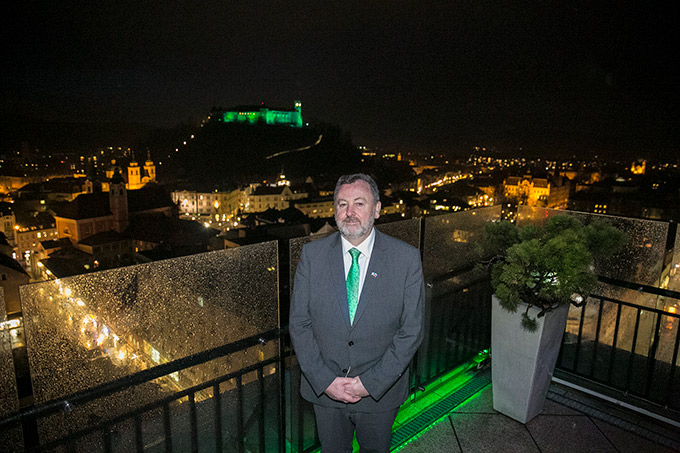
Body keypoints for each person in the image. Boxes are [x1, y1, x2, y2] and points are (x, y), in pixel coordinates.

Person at [289, 173, 425, 452]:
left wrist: (370, 383)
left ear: (377, 209)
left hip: (379, 394)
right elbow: (299, 323)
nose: (349, 212)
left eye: (359, 203)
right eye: (342, 204)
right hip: (326, 392)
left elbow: (411, 330)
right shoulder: (312, 256)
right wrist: (325, 381)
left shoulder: (406, 259)